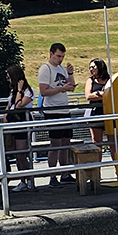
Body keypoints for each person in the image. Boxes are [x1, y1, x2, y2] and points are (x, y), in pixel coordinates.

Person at [37, 43, 79, 184]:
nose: (60, 59)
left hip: (64, 108)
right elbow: (44, 91)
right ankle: (52, 175)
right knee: (55, 143)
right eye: (58, 56)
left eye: (62, 57)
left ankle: (65, 173)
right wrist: (62, 88)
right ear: (51, 54)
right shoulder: (45, 69)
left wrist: (71, 74)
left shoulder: (61, 68)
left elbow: (71, 87)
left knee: (66, 142)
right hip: (53, 110)